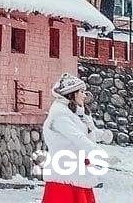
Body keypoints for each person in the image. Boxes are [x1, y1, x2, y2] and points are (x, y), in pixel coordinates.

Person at [41, 73, 110, 203]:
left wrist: (102, 135)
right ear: (72, 93)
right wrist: (98, 153)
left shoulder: (76, 112)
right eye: (82, 92)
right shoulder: (60, 115)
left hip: (78, 173)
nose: (85, 95)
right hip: (64, 174)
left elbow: (85, 132)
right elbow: (77, 137)